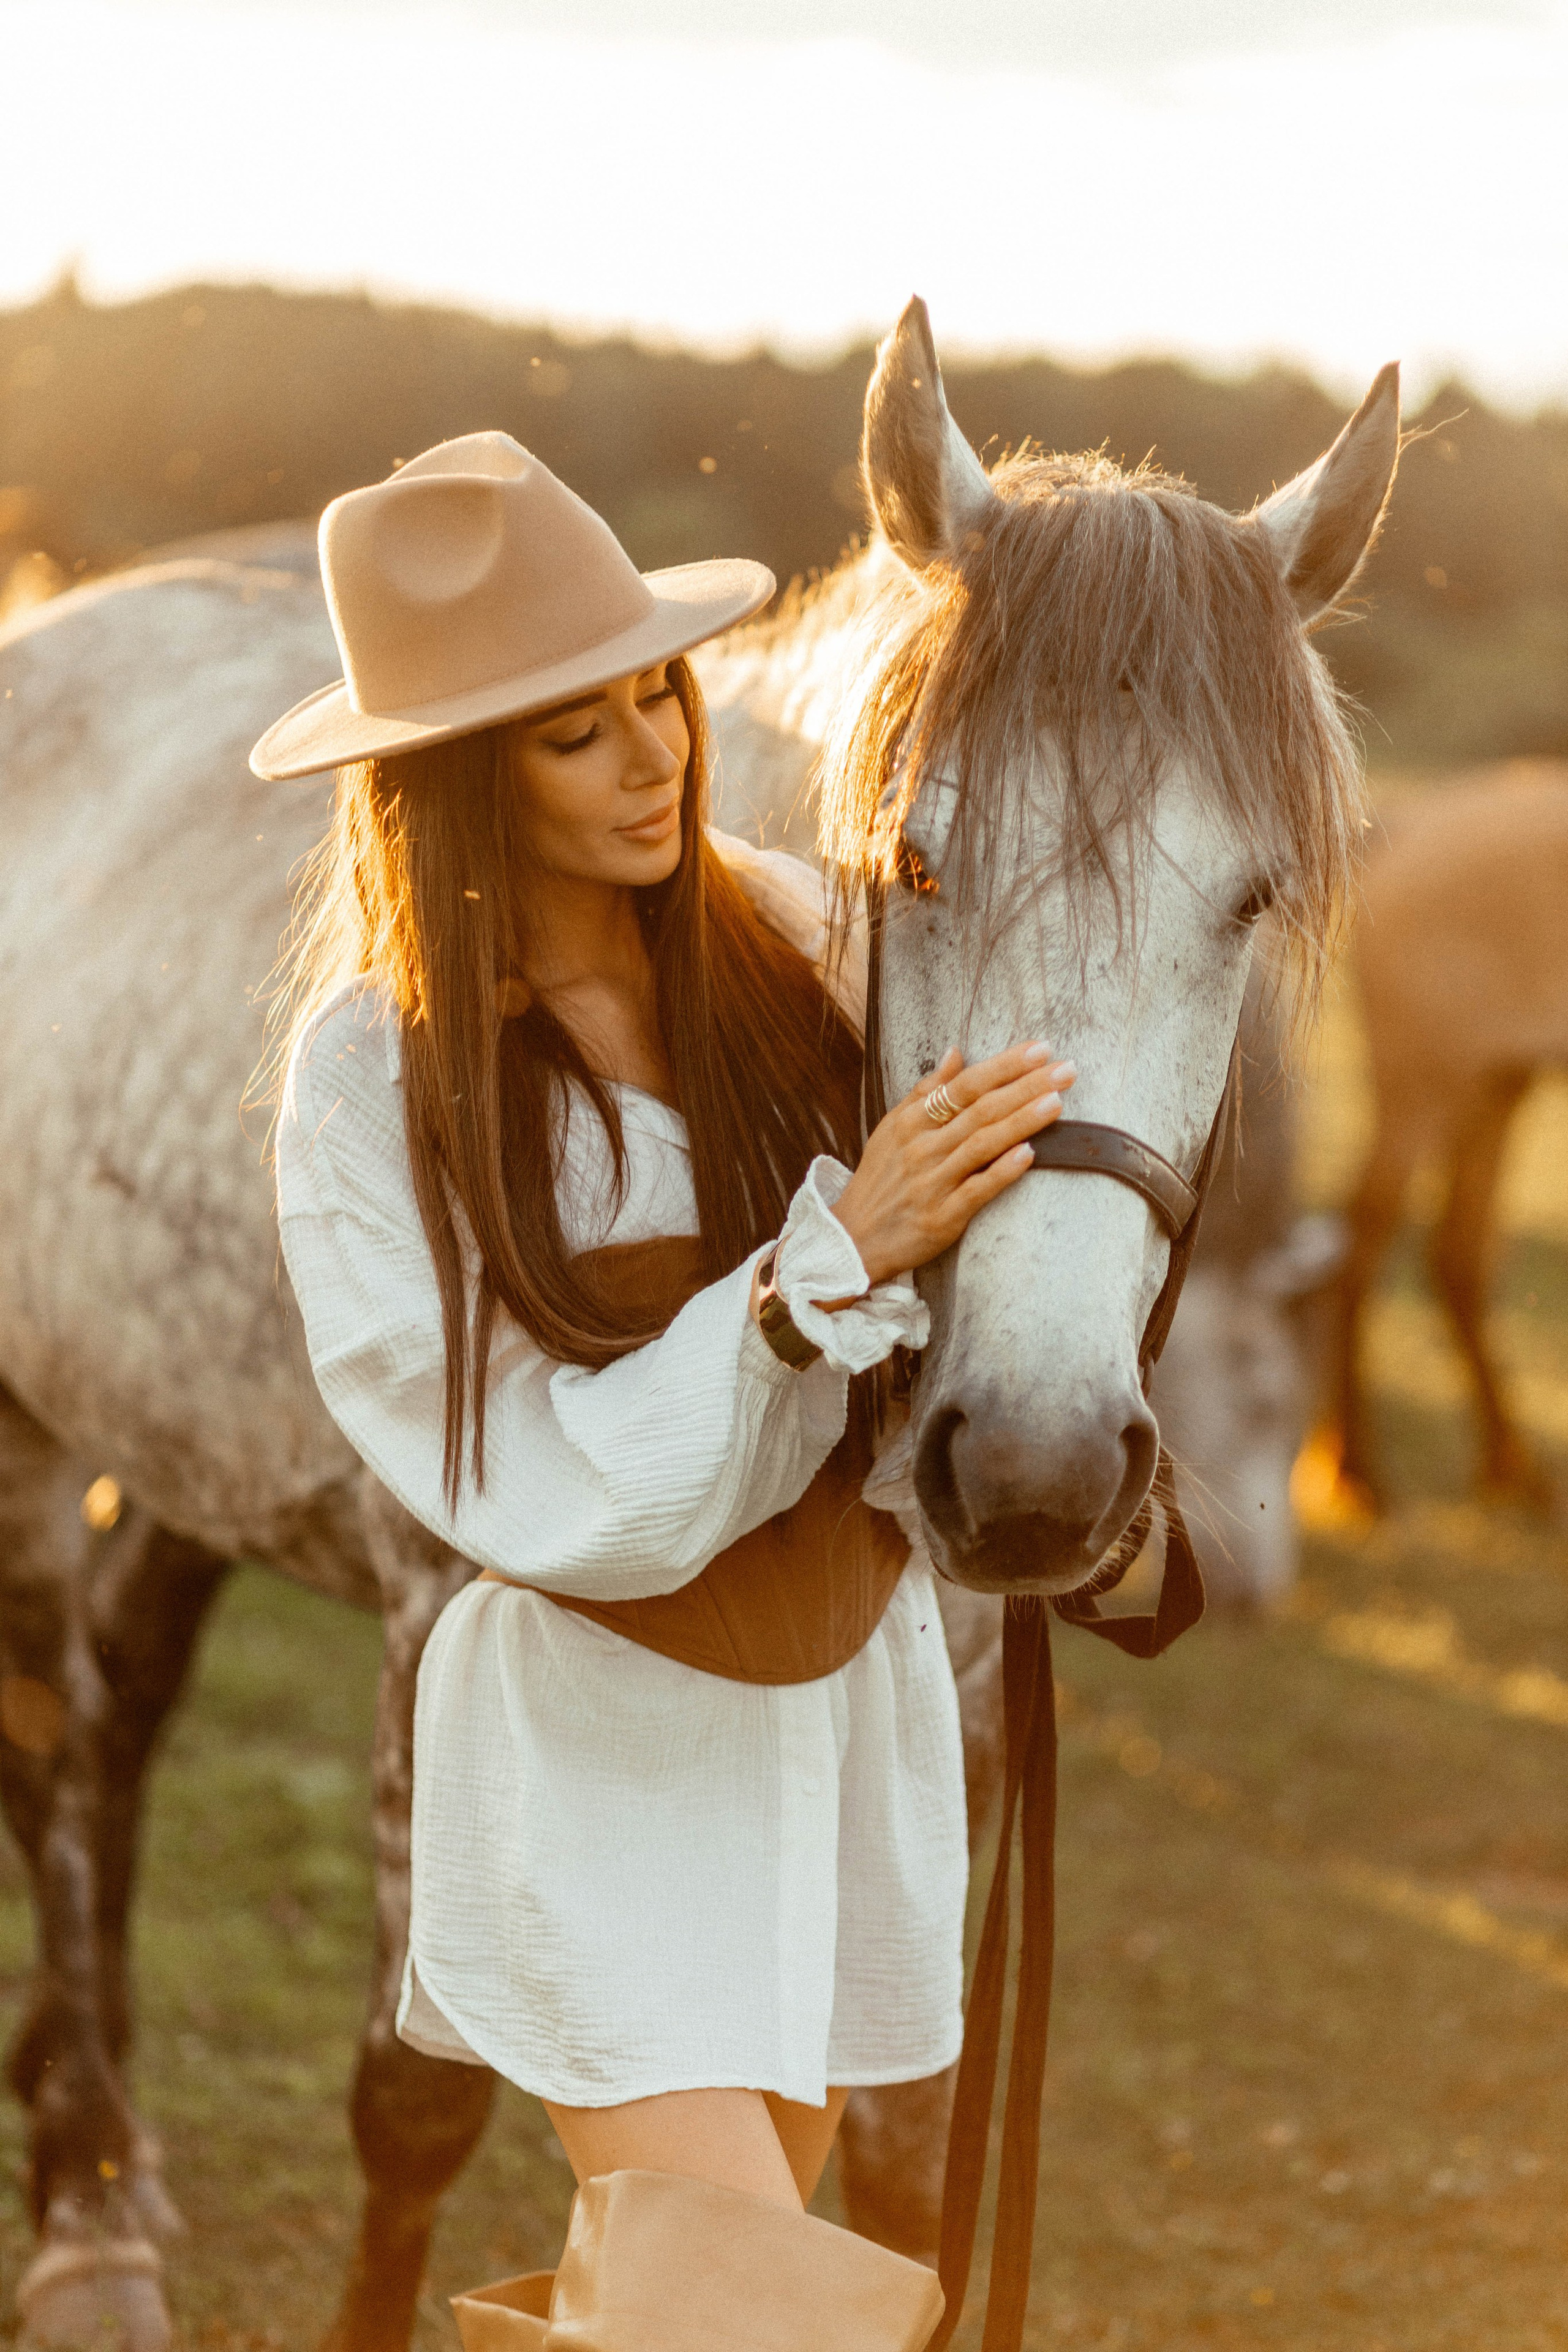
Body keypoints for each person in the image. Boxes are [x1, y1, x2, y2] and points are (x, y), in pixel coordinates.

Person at [253, 432, 1072, 2350]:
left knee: (690, 2310)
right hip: (601, 1756)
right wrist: (814, 1280)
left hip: (836, 1741)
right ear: (456, 779)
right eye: (576, 735)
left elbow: (988, 1248)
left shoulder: (794, 940)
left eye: (658, 697)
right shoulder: (375, 1080)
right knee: (738, 2323)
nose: (658, 759)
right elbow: (520, 1486)